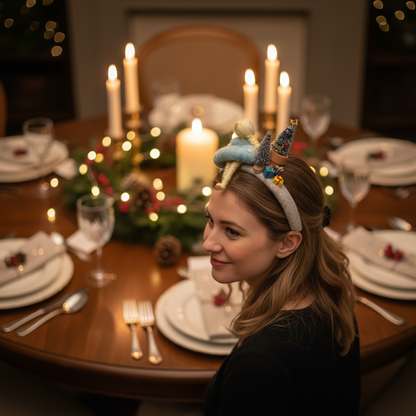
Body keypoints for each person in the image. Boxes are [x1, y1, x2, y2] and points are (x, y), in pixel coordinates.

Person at [202, 118, 361, 415]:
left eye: (232, 231)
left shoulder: (259, 367)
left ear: (287, 243)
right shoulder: (330, 291)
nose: (208, 243)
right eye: (210, 220)